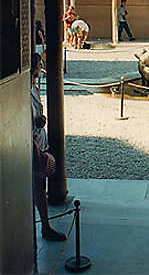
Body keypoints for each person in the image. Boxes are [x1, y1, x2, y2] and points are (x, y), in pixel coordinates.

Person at [31, 54, 66, 241]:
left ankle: (45, 225)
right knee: (37, 189)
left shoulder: (33, 89)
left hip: (39, 142)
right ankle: (43, 226)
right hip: (34, 146)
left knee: (39, 190)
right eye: (38, 65)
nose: (40, 69)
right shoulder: (25, 91)